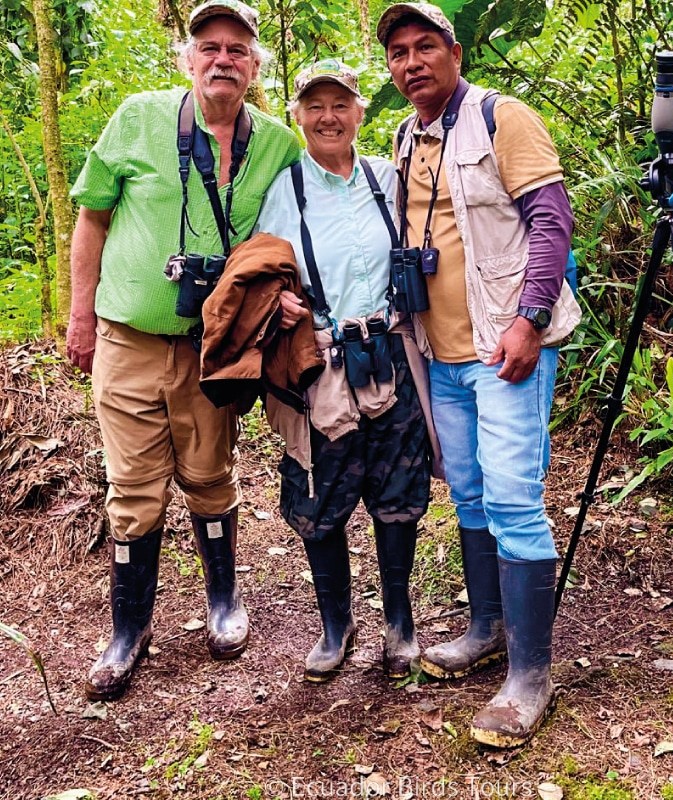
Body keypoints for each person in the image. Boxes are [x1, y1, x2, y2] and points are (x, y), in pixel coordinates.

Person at [66, 0, 300, 701]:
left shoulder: (279, 144)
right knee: (133, 490)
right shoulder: (138, 117)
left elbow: (293, 237)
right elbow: (93, 215)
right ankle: (128, 628)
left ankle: (223, 603)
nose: (222, 58)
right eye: (209, 46)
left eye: (237, 48)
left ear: (255, 66)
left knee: (209, 473)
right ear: (187, 57)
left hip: (214, 348)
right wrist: (80, 316)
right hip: (130, 340)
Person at [376, 2, 581, 747]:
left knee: (514, 499)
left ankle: (531, 675)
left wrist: (529, 321)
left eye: (424, 46)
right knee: (468, 491)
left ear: (454, 52)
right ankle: (487, 627)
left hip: (506, 346)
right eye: (398, 52)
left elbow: (552, 220)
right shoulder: (404, 138)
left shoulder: (502, 117)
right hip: (441, 354)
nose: (411, 62)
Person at [251, 59, 436, 683]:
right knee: (318, 497)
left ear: (361, 112)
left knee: (399, 492)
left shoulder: (388, 177)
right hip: (320, 366)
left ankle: (399, 623)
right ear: (297, 115)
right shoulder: (284, 189)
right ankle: (336, 625)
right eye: (314, 106)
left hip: (390, 356)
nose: (328, 118)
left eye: (340, 105)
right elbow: (254, 269)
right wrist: (276, 297)